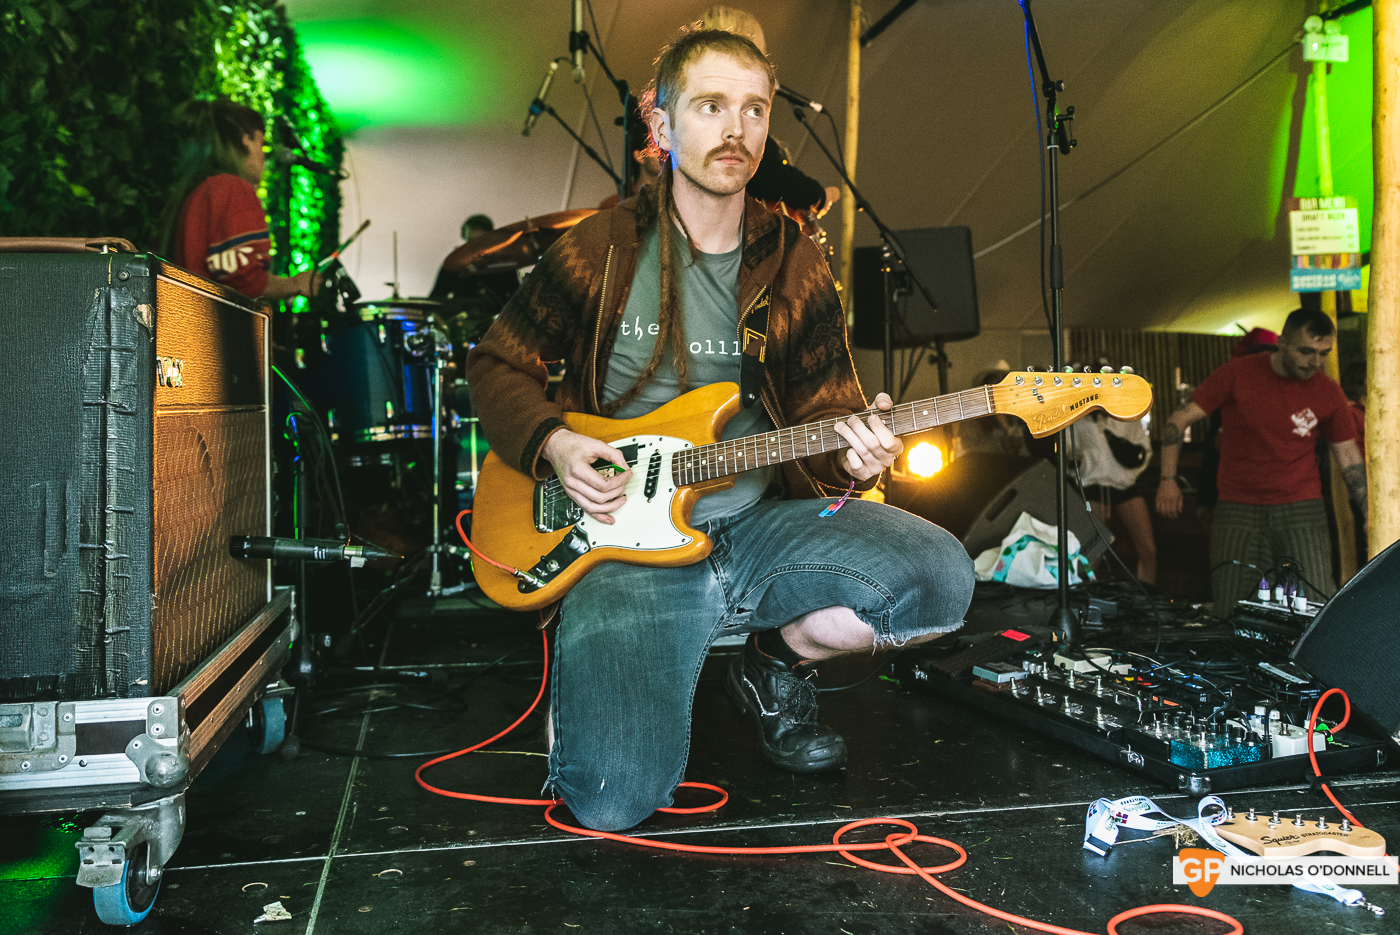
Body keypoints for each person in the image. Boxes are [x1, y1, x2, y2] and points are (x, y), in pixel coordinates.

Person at [465, 27, 973, 832]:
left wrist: (860, 454)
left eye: (753, 110)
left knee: (942, 577)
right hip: (624, 541)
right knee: (609, 801)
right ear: (662, 128)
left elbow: (828, 411)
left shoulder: (793, 259)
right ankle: (591, 645)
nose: (735, 130)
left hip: (758, 524)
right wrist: (556, 444)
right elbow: (496, 366)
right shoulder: (600, 248)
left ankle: (774, 661)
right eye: (710, 107)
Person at [1155, 309, 1365, 614]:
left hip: (1301, 507)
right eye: (1306, 351)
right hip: (1237, 506)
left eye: (1324, 353)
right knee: (1232, 605)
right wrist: (1167, 480)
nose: (1315, 362)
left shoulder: (1328, 391)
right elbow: (1178, 420)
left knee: (1315, 599)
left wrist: (1370, 514)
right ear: (1282, 342)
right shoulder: (1238, 373)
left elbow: (1349, 458)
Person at [159, 98, 317, 301]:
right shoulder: (232, 189)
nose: (263, 156)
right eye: (262, 143)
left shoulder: (192, 192)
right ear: (246, 139)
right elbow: (243, 279)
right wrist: (296, 284)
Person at [1063, 362, 1156, 584]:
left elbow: (1144, 450)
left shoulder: (1125, 413)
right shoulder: (1076, 417)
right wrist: (1082, 460)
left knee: (1148, 548)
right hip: (1092, 486)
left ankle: (1147, 593)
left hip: (1124, 485)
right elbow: (1067, 453)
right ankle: (1085, 594)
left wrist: (1128, 473)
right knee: (1096, 546)